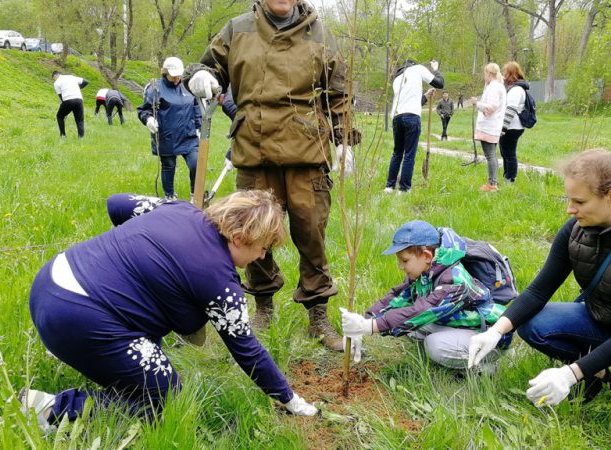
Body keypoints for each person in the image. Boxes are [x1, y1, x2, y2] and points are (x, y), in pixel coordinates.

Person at [20, 191, 318, 433]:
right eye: (263, 247)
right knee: (167, 397)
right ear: (239, 238)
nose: (262, 256)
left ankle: (97, 363)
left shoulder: (179, 210)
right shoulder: (221, 283)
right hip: (78, 319)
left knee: (150, 359)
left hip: (50, 282)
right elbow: (248, 351)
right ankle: (53, 409)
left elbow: (117, 204)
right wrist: (289, 398)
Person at [467, 149, 611, 428]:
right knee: (531, 323)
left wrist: (568, 375)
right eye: (569, 199)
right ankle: (598, 374)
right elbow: (539, 291)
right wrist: (495, 331)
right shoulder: (576, 230)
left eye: (579, 200)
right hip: (610, 320)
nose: (570, 208)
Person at [182, 0, 359, 351]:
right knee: (250, 233)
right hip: (254, 149)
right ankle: (263, 307)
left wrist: (343, 140)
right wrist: (199, 77)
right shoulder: (238, 29)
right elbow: (209, 68)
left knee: (311, 232)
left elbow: (339, 93)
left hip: (307, 150)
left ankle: (317, 315)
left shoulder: (320, 32)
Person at [341, 220, 513, 370]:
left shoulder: (453, 281)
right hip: (462, 324)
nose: (400, 266)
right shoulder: (428, 271)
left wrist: (371, 327)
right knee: (411, 328)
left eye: (404, 260)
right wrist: (365, 320)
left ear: (426, 256)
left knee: (434, 346)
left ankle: (484, 366)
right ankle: (458, 347)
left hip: (488, 335)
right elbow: (398, 296)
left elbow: (422, 311)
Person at [137, 57, 201, 201]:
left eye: (179, 74)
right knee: (169, 165)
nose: (177, 77)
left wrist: (199, 127)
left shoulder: (187, 87)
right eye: (173, 75)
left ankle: (194, 195)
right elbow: (144, 110)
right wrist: (148, 119)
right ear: (165, 72)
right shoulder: (155, 88)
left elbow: (196, 107)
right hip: (167, 136)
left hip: (188, 136)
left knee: (195, 163)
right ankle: (169, 196)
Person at [384, 58, 444, 194]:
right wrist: (435, 69)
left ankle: (389, 186)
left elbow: (410, 101)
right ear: (414, 65)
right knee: (409, 153)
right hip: (411, 117)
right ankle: (404, 188)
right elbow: (440, 83)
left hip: (397, 117)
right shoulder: (418, 69)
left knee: (397, 152)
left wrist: (426, 96)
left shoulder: (397, 78)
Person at [469, 63, 507, 193]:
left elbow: (491, 107)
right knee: (491, 155)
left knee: (490, 155)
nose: (484, 76)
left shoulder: (494, 87)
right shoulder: (495, 86)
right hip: (492, 125)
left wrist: (477, 104)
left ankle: (492, 184)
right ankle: (492, 182)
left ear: (489, 73)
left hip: (489, 126)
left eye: (485, 73)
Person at [499, 61, 529, 184]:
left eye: (505, 72)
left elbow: (510, 110)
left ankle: (510, 179)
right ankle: (506, 176)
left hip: (512, 127)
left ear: (510, 74)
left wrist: (503, 129)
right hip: (510, 126)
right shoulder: (512, 88)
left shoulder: (516, 90)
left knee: (509, 154)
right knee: (505, 153)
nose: (503, 75)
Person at [52, 70, 88, 138]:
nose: (54, 80)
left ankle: (63, 135)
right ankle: (81, 138)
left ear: (55, 75)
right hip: (79, 99)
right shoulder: (71, 77)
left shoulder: (56, 82)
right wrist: (78, 88)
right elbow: (86, 82)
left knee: (59, 116)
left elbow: (61, 97)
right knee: (79, 120)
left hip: (68, 100)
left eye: (53, 79)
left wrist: (64, 108)